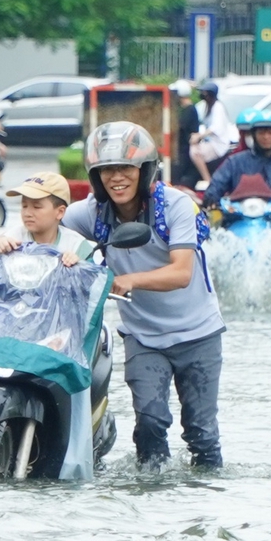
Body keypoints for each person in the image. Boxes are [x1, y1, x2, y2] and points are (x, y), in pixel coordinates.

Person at [63, 121, 222, 468]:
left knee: (202, 434)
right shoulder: (90, 213)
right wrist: (1, 244)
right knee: (149, 424)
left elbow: (182, 272)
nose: (116, 178)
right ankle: (149, 505)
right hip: (143, 338)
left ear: (145, 171)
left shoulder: (177, 206)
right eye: (106, 170)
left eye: (125, 168)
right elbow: (41, 227)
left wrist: (129, 280)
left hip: (199, 334)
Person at [203, 108, 271, 211]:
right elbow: (217, 184)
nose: (266, 137)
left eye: (270, 132)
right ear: (254, 134)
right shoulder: (235, 162)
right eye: (261, 132)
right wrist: (211, 196)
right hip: (238, 220)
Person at [189, 80, 235, 181]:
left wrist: (199, 136)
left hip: (218, 145)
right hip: (211, 142)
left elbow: (215, 128)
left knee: (195, 152)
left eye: (204, 93)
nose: (202, 94)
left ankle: (207, 179)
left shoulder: (218, 107)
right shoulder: (206, 106)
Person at [168, 80, 202, 188]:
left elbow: (179, 127)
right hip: (181, 150)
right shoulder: (185, 110)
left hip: (185, 151)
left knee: (175, 178)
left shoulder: (189, 110)